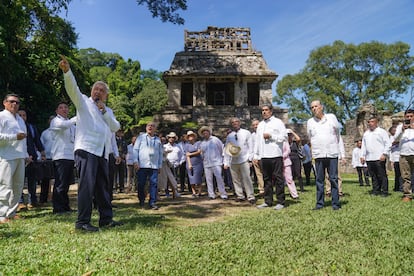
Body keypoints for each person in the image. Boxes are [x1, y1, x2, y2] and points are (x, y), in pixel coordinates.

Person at [59, 56, 122, 232]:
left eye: (102, 90)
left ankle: (106, 219)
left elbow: (115, 127)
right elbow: (73, 90)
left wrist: (104, 112)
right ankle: (82, 222)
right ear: (91, 91)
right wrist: (67, 72)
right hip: (86, 150)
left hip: (102, 152)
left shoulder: (107, 110)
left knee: (103, 187)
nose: (98, 92)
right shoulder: (84, 103)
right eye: (96, 89)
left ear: (106, 95)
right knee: (87, 186)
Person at [307, 100, 341, 210]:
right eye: (312, 107)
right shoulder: (310, 122)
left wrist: (341, 153)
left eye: (316, 106)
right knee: (319, 180)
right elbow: (311, 137)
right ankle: (319, 204)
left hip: (331, 153)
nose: (314, 109)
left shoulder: (331, 118)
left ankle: (335, 204)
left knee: (333, 179)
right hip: (319, 154)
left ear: (321, 107)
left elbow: (337, 135)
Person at [0, 94, 28, 223]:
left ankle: (11, 213)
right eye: (12, 101)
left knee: (18, 186)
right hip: (6, 156)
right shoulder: (2, 116)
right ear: (4, 103)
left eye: (17, 102)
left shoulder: (20, 119)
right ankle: (1, 214)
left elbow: (24, 139)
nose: (15, 104)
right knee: (5, 185)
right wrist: (14, 137)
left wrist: (26, 155)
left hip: (20, 156)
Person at [254, 104, 287, 210]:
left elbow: (284, 137)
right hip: (264, 155)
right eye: (262, 110)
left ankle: (280, 201)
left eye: (266, 110)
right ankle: (268, 201)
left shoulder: (278, 122)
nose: (264, 112)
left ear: (271, 111)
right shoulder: (260, 125)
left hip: (275, 154)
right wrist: (256, 155)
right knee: (266, 179)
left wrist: (271, 136)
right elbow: (258, 141)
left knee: (278, 178)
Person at [49, 102, 76, 214]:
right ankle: (58, 208)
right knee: (60, 183)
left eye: (66, 107)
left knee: (66, 184)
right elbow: (63, 126)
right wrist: (77, 117)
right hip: (60, 156)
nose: (64, 109)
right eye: (61, 107)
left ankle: (65, 206)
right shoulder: (56, 121)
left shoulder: (72, 125)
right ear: (57, 111)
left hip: (70, 156)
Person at [18, 109, 46, 209]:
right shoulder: (14, 127)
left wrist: (42, 153)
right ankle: (20, 202)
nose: (22, 117)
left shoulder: (31, 127)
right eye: (20, 115)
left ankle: (32, 201)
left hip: (32, 157)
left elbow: (37, 141)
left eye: (24, 115)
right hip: (20, 157)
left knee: (32, 181)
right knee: (19, 182)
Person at [224, 118, 255, 204]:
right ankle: (240, 195)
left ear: (240, 123)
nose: (235, 123)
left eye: (236, 122)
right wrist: (226, 162)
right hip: (233, 161)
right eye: (233, 122)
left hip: (244, 159)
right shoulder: (230, 136)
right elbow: (227, 148)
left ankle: (250, 196)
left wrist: (250, 159)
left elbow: (250, 146)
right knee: (236, 179)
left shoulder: (246, 132)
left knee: (247, 178)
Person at [133, 122, 163, 209]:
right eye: (148, 126)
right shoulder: (141, 138)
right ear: (146, 128)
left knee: (154, 184)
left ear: (155, 129)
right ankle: (141, 200)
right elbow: (135, 150)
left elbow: (160, 153)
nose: (150, 127)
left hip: (154, 165)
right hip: (142, 165)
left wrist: (159, 165)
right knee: (141, 183)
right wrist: (135, 161)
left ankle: (152, 202)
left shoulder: (158, 140)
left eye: (152, 126)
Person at [360, 116, 391, 197]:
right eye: (369, 122)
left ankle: (384, 191)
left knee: (382, 175)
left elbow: (388, 143)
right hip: (369, 158)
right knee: (373, 175)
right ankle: (376, 190)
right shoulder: (366, 133)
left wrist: (384, 154)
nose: (370, 123)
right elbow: (364, 146)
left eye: (372, 122)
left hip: (379, 157)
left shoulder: (381, 132)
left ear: (376, 122)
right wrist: (362, 156)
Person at [199, 126, 228, 200]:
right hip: (207, 163)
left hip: (216, 162)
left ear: (209, 132)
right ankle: (211, 194)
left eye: (206, 132)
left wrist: (222, 160)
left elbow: (221, 149)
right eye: (203, 133)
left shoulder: (215, 140)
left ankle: (223, 194)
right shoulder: (202, 143)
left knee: (219, 178)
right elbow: (202, 153)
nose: (205, 133)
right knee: (208, 180)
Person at [393, 109, 414, 202]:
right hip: (404, 154)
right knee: (406, 176)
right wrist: (402, 130)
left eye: (411, 116)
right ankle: (407, 195)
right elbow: (395, 140)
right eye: (407, 116)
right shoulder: (400, 127)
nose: (409, 118)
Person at [159, 131, 181, 198]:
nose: (171, 139)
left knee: (171, 178)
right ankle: (166, 193)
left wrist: (179, 162)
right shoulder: (164, 146)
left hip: (169, 165)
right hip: (161, 165)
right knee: (162, 179)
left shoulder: (177, 146)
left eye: (173, 137)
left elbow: (181, 155)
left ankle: (175, 192)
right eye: (170, 137)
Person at [39, 115, 55, 204]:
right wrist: (42, 155)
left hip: (57, 157)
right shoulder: (45, 133)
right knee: (45, 180)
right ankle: (43, 199)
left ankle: (55, 197)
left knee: (58, 180)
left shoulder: (61, 131)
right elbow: (41, 145)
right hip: (47, 158)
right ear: (49, 121)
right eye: (51, 120)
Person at [184, 130, 203, 197]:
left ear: (194, 136)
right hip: (190, 163)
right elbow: (187, 155)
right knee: (191, 177)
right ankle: (194, 192)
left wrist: (191, 154)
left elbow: (199, 151)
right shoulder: (186, 145)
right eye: (189, 136)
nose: (190, 137)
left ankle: (199, 192)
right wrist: (189, 164)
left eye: (192, 135)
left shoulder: (198, 143)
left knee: (198, 177)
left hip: (198, 163)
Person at [250, 119, 264, 196]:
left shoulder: (263, 133)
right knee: (258, 174)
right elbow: (251, 147)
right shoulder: (252, 136)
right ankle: (261, 190)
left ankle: (268, 188)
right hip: (256, 158)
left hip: (264, 156)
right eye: (254, 125)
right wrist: (252, 158)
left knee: (266, 173)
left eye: (257, 124)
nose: (255, 126)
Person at [287, 129, 304, 193]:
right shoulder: (285, 143)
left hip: (296, 159)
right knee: (291, 175)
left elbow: (298, 139)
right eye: (288, 135)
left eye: (289, 135)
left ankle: (301, 188)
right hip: (289, 159)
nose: (289, 136)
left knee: (298, 174)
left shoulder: (294, 143)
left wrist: (292, 132)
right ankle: (292, 189)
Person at [389, 126, 402, 192]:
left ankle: (401, 187)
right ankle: (397, 187)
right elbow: (389, 147)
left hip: (401, 157)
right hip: (395, 158)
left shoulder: (401, 137)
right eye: (393, 130)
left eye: (395, 130)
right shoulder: (390, 138)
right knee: (397, 174)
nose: (395, 131)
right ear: (390, 132)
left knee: (402, 174)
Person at [114, 129, 127, 193]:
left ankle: (121, 187)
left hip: (122, 158)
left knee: (122, 173)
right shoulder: (114, 140)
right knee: (115, 173)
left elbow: (125, 149)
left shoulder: (123, 140)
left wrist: (124, 155)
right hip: (115, 158)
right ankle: (114, 187)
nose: (120, 133)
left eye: (121, 132)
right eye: (119, 132)